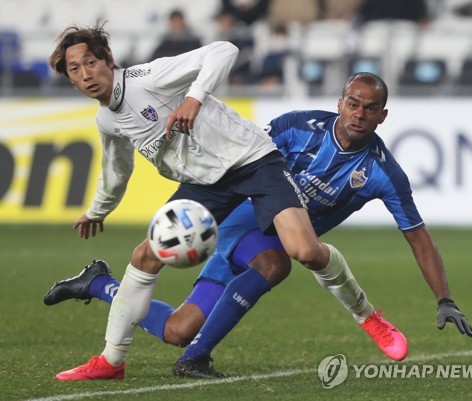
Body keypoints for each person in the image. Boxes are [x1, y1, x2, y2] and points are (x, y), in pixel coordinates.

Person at [45, 70, 472, 380]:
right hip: (236, 225)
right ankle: (197, 359)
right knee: (276, 262)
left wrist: (445, 297)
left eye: (370, 108)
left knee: (177, 329)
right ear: (340, 102)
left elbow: (418, 238)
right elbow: (242, 156)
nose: (359, 114)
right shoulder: (297, 127)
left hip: (273, 238)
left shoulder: (384, 174)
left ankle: (99, 283)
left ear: (383, 116)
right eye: (353, 103)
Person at [45, 23, 369, 381]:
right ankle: (112, 359)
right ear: (70, 79)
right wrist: (98, 209)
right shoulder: (107, 119)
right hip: (206, 183)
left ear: (108, 59)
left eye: (91, 62)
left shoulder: (147, 78)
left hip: (252, 160)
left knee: (304, 251)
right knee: (145, 256)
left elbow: (224, 50)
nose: (86, 74)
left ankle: (366, 313)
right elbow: (116, 168)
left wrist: (194, 97)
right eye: (75, 69)